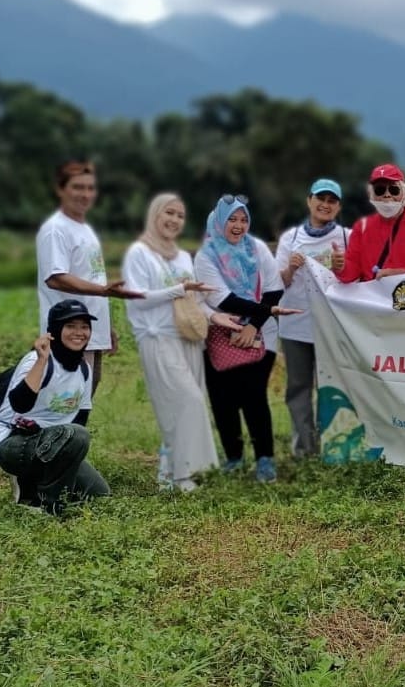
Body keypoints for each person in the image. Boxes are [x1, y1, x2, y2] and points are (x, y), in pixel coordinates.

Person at [123, 193, 235, 490]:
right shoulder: (139, 253)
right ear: (155, 214)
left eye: (180, 216)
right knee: (190, 402)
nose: (174, 220)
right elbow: (136, 297)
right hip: (157, 338)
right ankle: (189, 479)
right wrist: (177, 289)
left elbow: (195, 300)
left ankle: (168, 478)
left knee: (178, 413)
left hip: (189, 339)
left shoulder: (185, 256)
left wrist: (215, 317)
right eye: (168, 213)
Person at [194, 195, 297, 483]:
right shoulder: (206, 256)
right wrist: (264, 313)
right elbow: (221, 298)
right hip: (219, 335)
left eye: (243, 219)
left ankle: (265, 459)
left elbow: (274, 288)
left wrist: (254, 324)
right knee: (223, 399)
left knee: (254, 396)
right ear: (219, 221)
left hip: (262, 335)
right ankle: (234, 457)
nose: (238, 225)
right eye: (231, 219)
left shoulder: (257, 248)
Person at [0, 299, 111, 515]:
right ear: (54, 330)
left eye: (84, 327)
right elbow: (20, 403)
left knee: (98, 493)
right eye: (70, 326)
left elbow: (80, 416)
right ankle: (48, 505)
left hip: (53, 442)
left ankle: (37, 480)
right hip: (12, 442)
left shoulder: (84, 369)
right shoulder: (36, 361)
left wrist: (67, 459)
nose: (79, 332)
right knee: (78, 435)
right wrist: (42, 360)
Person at [36, 159, 143, 393]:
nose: (85, 194)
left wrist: (106, 327)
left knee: (85, 392)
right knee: (66, 397)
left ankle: (73, 431)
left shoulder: (84, 229)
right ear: (60, 189)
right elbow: (55, 277)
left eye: (90, 188)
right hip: (67, 332)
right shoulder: (56, 229)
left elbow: (92, 277)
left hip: (89, 330)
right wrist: (103, 291)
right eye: (77, 187)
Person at [276, 179, 351, 458]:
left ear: (338, 207)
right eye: (321, 198)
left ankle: (334, 447)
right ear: (309, 201)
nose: (325, 205)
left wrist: (343, 267)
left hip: (332, 326)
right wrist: (290, 270)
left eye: (332, 201)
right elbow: (277, 283)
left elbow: (357, 278)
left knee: (332, 387)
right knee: (298, 388)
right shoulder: (290, 238)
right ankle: (304, 450)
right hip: (295, 325)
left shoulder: (347, 237)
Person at [338, 164, 405, 283]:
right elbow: (351, 272)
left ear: (404, 192)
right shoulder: (362, 227)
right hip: (373, 300)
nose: (387, 194)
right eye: (380, 190)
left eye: (394, 189)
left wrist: (401, 273)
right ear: (371, 194)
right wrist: (340, 267)